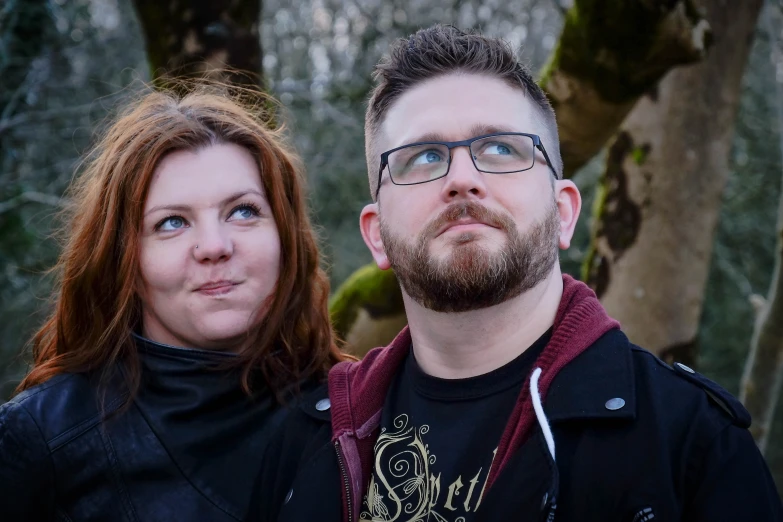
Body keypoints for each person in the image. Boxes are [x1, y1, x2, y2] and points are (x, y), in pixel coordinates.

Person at [258, 25, 783, 522]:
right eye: (421, 158)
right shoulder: (306, 439)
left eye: (501, 149)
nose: (462, 180)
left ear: (565, 212)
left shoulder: (688, 442)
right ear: (376, 234)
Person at [0, 84, 344, 521]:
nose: (214, 246)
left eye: (242, 211)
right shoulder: (41, 440)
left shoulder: (356, 418)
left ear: (286, 239)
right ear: (125, 261)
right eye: (172, 222)